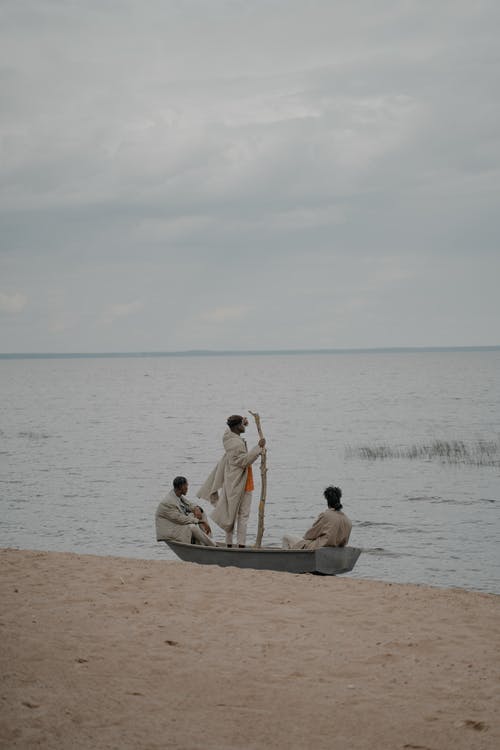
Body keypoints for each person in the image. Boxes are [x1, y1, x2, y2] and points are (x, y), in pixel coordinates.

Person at [197, 415, 266, 547]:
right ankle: (240, 545)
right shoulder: (236, 443)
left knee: (230, 513)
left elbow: (230, 431)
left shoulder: (228, 438)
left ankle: (229, 545)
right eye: (242, 424)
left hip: (235, 482)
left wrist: (243, 423)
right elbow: (244, 461)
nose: (244, 425)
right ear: (236, 427)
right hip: (240, 483)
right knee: (241, 516)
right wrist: (258, 448)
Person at [282, 486, 352, 550]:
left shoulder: (326, 515)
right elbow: (344, 542)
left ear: (327, 501)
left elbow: (310, 535)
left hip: (318, 548)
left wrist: (305, 539)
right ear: (339, 499)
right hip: (334, 550)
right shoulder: (347, 520)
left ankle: (286, 562)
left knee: (286, 537)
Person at [155, 476, 216, 546]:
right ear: (181, 487)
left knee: (201, 513)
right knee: (192, 527)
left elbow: (189, 504)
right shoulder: (168, 503)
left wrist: (196, 508)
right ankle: (213, 546)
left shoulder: (177, 495)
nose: (187, 488)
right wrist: (200, 521)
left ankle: (209, 540)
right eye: (186, 486)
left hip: (178, 525)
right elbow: (180, 519)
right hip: (171, 530)